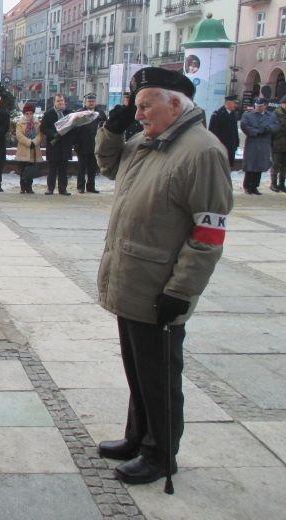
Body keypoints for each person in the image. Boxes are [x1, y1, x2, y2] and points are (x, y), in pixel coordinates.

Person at [95, 67, 232, 486]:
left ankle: (160, 454)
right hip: (131, 275)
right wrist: (112, 130)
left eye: (144, 106)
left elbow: (208, 233)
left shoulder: (202, 151)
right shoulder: (148, 141)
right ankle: (138, 436)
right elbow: (109, 166)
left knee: (159, 376)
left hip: (160, 286)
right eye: (135, 107)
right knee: (138, 369)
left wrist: (181, 290)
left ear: (174, 104)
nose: (138, 115)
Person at [240, 97, 280, 195]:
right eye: (256, 106)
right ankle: (247, 186)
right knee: (250, 165)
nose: (258, 108)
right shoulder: (248, 114)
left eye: (260, 106)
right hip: (252, 142)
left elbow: (276, 125)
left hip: (264, 143)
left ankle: (255, 186)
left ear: (265, 106)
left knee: (260, 165)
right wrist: (256, 132)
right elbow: (244, 126)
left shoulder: (271, 115)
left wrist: (268, 129)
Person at [41, 94, 73, 195]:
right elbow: (43, 128)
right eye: (58, 101)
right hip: (53, 145)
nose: (60, 102)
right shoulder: (48, 114)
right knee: (52, 169)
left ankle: (63, 189)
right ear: (54, 102)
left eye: (61, 100)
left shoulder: (69, 113)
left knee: (63, 169)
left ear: (64, 101)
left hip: (65, 145)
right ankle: (50, 188)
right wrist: (53, 134)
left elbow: (74, 127)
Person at [75, 93, 105, 194]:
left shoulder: (100, 113)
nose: (91, 103)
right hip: (82, 144)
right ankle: (80, 186)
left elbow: (105, 127)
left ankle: (91, 186)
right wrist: (75, 143)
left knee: (93, 168)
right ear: (85, 102)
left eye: (93, 101)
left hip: (95, 144)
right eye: (89, 101)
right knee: (81, 168)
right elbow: (74, 128)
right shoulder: (80, 113)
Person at [15, 103, 42, 194]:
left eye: (31, 113)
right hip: (23, 149)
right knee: (23, 169)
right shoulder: (20, 123)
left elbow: (40, 135)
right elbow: (19, 135)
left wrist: (34, 142)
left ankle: (29, 187)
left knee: (31, 169)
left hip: (34, 149)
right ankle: (23, 187)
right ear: (24, 113)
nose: (29, 115)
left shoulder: (37, 123)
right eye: (27, 113)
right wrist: (29, 142)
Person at [208, 95, 240, 168]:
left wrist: (236, 143)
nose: (236, 105)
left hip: (231, 147)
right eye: (234, 103)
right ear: (228, 103)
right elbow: (212, 132)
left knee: (229, 167)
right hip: (221, 146)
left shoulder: (233, 114)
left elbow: (235, 131)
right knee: (219, 167)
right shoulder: (218, 114)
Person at [270, 95, 286, 192]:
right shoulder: (276, 113)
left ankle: (281, 184)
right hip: (277, 144)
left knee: (284, 166)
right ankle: (273, 184)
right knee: (275, 164)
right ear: (282, 104)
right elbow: (273, 128)